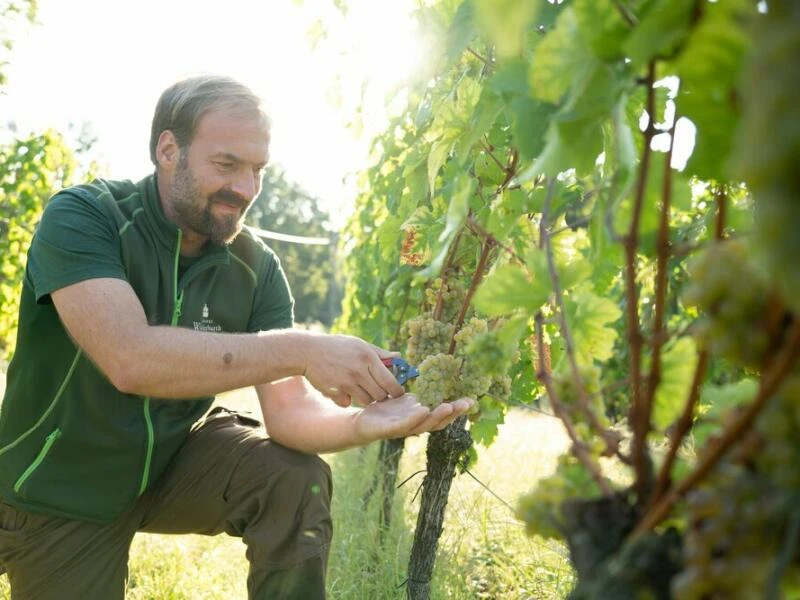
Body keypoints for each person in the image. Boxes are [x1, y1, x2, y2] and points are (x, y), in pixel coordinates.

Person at [0, 75, 473, 599]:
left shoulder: (256, 267)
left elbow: (290, 411)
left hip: (171, 466)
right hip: (58, 489)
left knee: (294, 478)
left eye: (257, 171)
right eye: (227, 165)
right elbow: (129, 358)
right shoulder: (86, 217)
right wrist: (304, 348)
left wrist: (366, 423)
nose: (246, 189)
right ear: (168, 150)